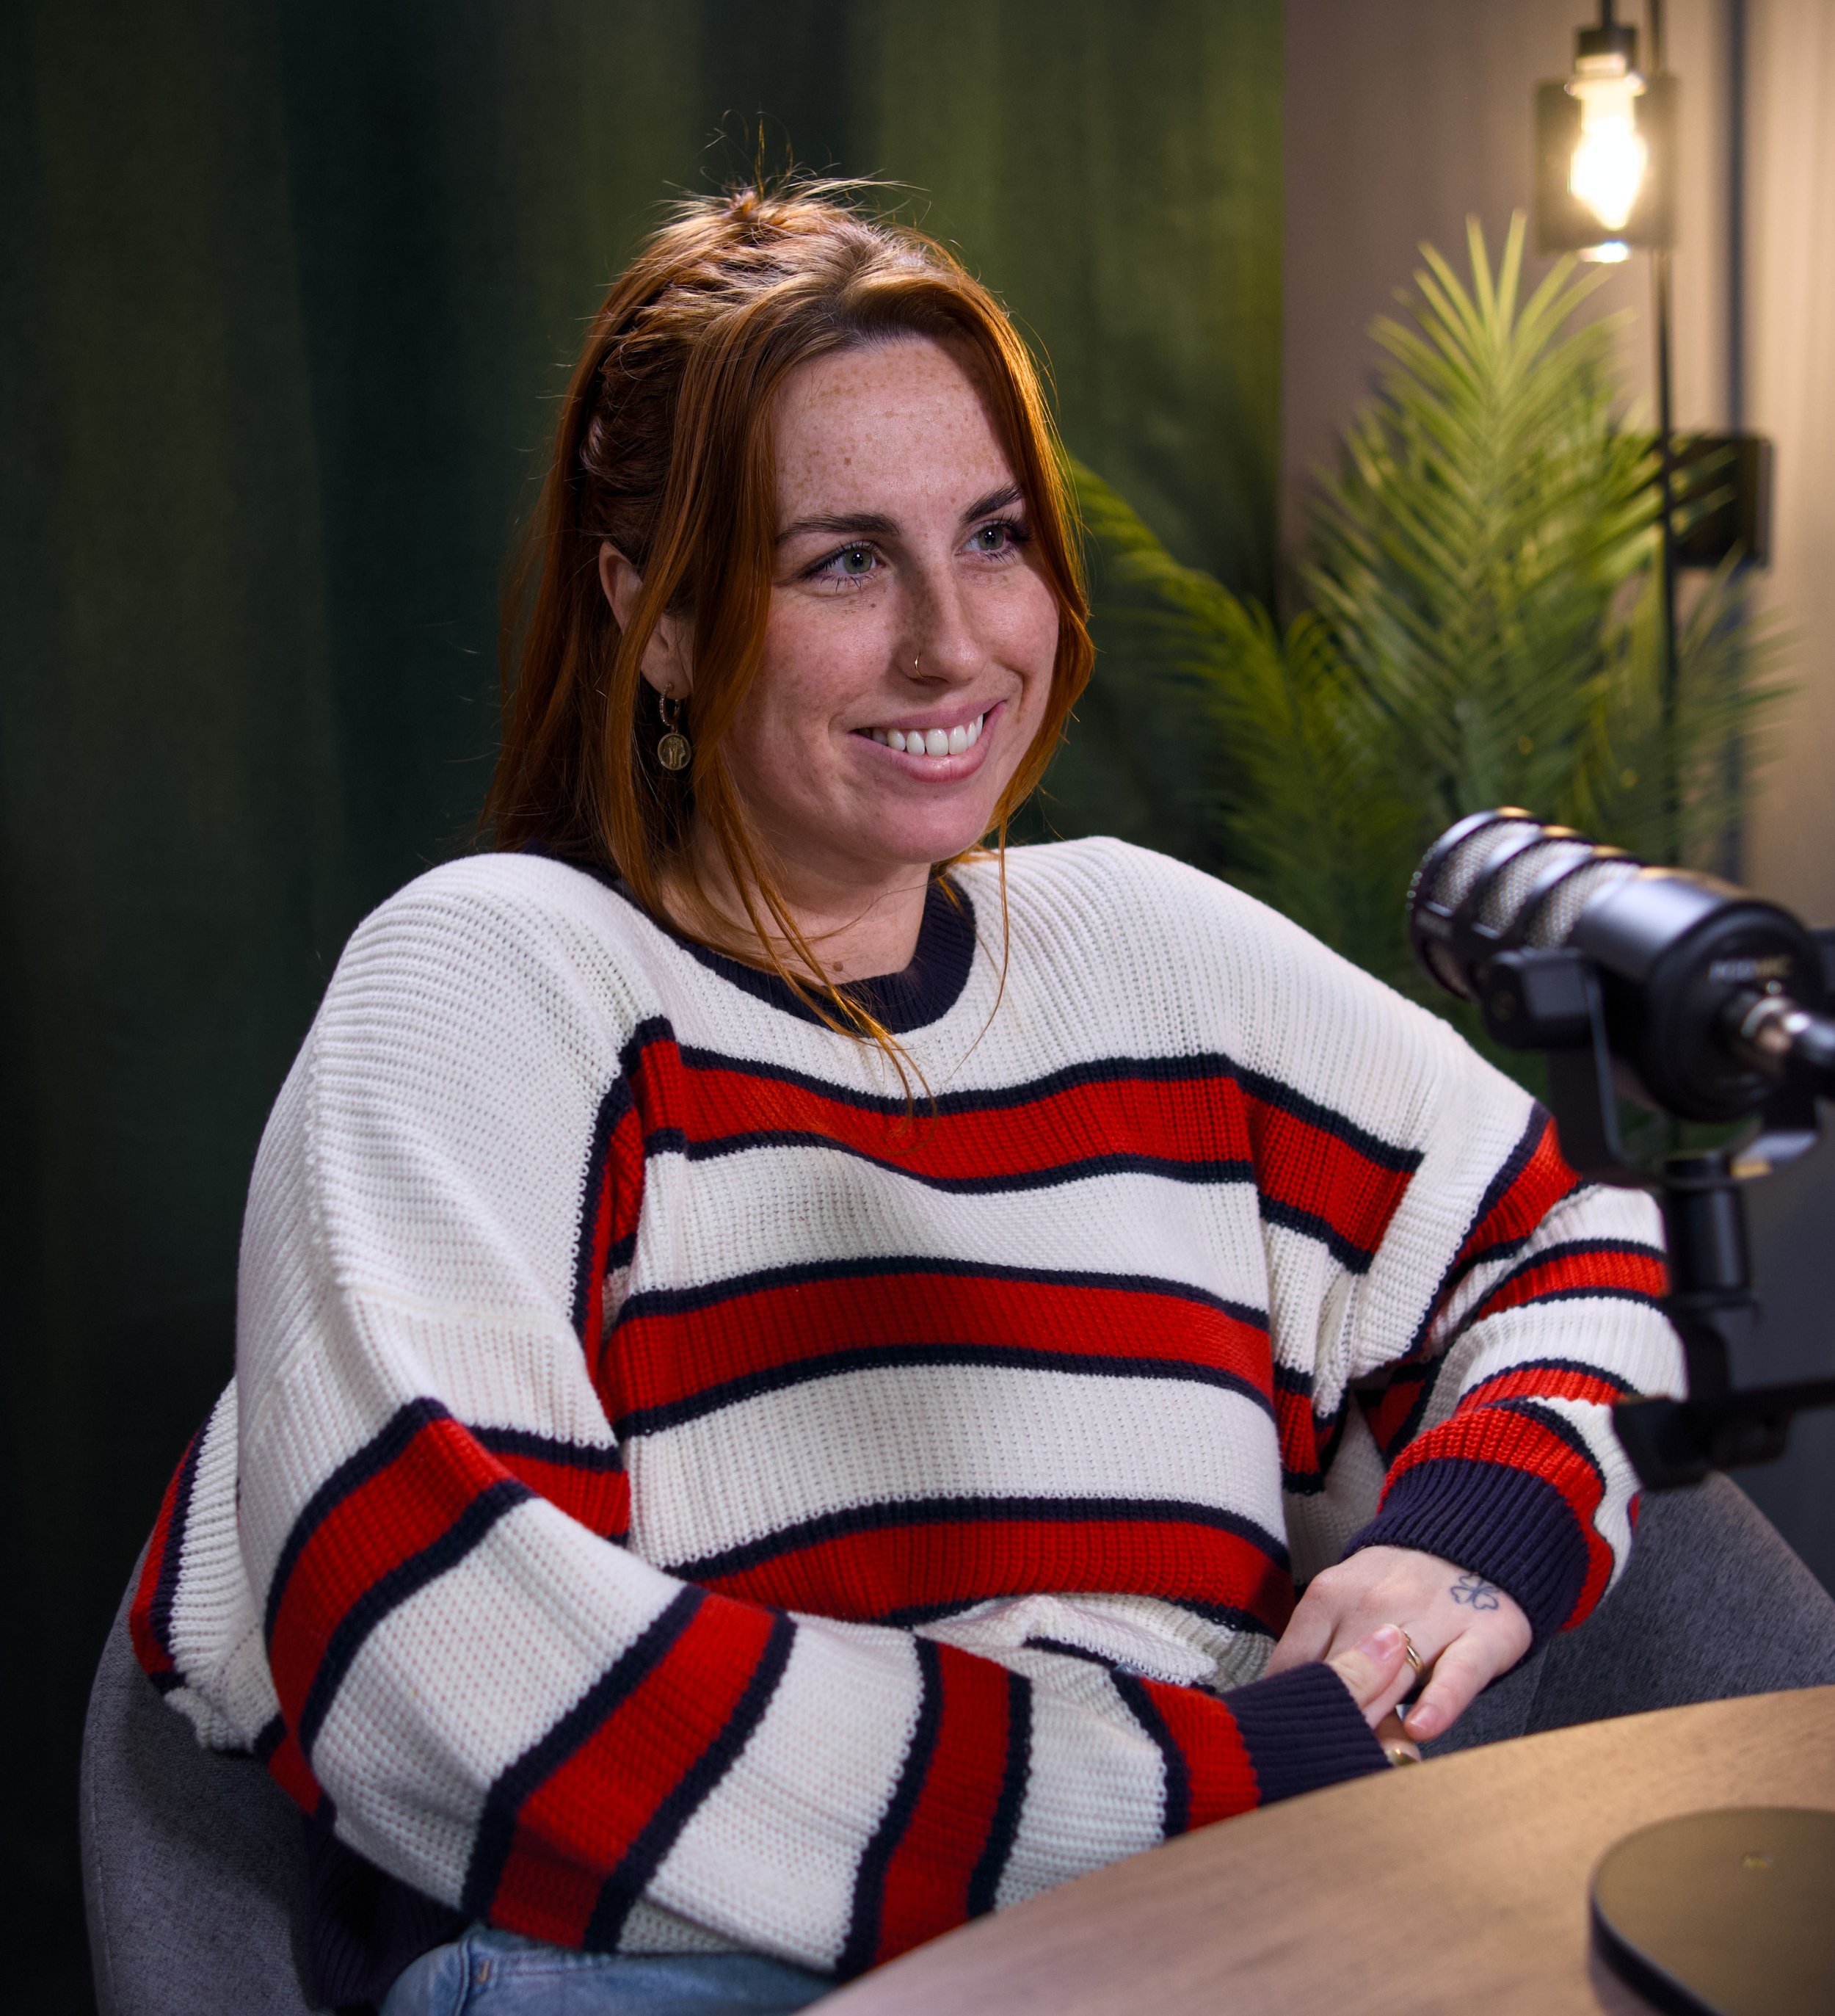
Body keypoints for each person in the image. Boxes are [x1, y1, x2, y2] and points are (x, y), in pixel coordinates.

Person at [128, 183, 1832, 2016]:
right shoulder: (500, 976)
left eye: (993, 535)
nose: (955, 644)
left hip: (1241, 1931)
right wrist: (1208, 1793)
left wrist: (1454, 1554)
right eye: (842, 559)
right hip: (706, 1967)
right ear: (663, 621)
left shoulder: (1157, 956)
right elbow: (445, 1652)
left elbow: (1566, 1244)